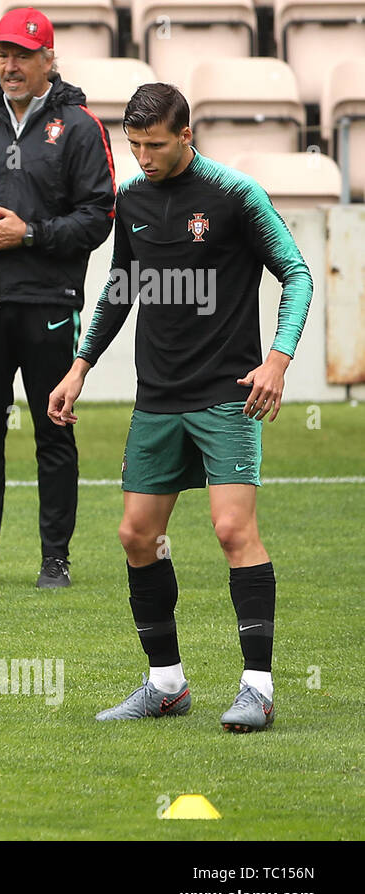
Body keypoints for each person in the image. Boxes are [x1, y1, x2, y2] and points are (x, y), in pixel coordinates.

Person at [48, 83, 312, 732]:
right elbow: (119, 290)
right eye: (134, 144)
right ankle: (166, 683)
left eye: (156, 144)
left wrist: (277, 359)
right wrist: (79, 366)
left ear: (186, 136)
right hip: (158, 397)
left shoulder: (235, 195)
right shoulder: (132, 199)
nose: (143, 156)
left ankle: (258, 687)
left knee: (231, 529)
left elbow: (297, 273)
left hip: (226, 391)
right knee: (137, 534)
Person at [0, 7, 115, 589]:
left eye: (22, 55)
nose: (10, 65)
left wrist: (29, 233)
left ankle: (55, 560)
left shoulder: (82, 126)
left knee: (53, 431)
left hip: (48, 301)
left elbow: (99, 216)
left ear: (48, 60)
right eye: (3, 54)